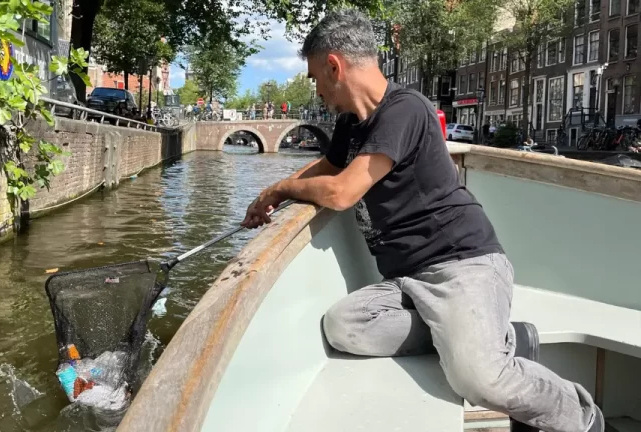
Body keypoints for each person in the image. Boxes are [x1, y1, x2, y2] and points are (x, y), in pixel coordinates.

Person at [240, 9, 602, 432]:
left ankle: (580, 415)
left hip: (464, 263)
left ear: (334, 65)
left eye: (314, 76)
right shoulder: (350, 123)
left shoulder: (406, 109)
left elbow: (341, 191)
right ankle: (492, 337)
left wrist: (281, 191)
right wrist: (271, 191)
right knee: (345, 326)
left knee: (477, 379)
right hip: (407, 279)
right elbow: (326, 166)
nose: (316, 89)